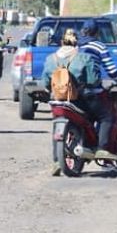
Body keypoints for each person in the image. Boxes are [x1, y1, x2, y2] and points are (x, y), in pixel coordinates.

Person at [39, 28, 95, 175]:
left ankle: (57, 162)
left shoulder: (51, 59)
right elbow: (93, 80)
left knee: (56, 127)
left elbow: (45, 82)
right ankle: (91, 147)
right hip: (77, 101)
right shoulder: (84, 58)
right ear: (77, 42)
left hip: (57, 102)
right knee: (94, 115)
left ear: (61, 41)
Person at [77, 19, 117, 160]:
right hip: (91, 91)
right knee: (106, 117)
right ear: (97, 32)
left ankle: (86, 146)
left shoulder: (76, 46)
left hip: (75, 92)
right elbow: (111, 70)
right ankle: (102, 148)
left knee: (87, 118)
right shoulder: (99, 46)